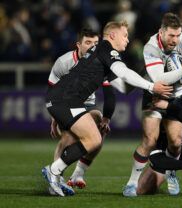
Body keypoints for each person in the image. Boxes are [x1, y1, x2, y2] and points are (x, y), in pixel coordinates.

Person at [42, 20, 173, 197]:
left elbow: (122, 87)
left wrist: (146, 72)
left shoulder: (102, 54)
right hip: (64, 100)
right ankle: (54, 171)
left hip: (63, 100)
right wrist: (151, 87)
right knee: (93, 139)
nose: (127, 40)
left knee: (93, 136)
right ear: (112, 35)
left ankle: (55, 178)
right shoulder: (106, 49)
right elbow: (125, 72)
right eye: (125, 35)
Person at [123, 12, 182, 197]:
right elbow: (159, 79)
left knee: (176, 142)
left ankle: (171, 173)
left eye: (178, 35)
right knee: (149, 140)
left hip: (175, 99)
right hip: (154, 97)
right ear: (161, 32)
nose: (175, 40)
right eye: (171, 36)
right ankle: (131, 183)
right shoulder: (151, 47)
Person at [47, 28, 119, 196]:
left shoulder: (101, 61)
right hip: (65, 104)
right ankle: (56, 177)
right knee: (68, 137)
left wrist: (107, 119)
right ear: (78, 45)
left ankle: (78, 173)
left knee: (100, 126)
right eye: (88, 43)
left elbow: (110, 94)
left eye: (96, 43)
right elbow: (51, 92)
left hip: (86, 106)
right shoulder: (64, 62)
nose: (93, 46)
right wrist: (54, 119)